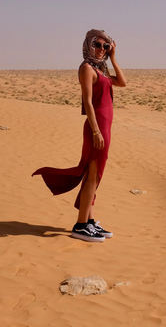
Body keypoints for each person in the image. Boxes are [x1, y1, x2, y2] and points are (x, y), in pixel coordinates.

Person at [33, 29, 127, 242]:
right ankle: (81, 225)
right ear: (89, 45)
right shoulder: (86, 68)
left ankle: (90, 220)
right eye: (98, 45)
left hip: (105, 127)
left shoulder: (100, 70)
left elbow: (122, 82)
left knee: (95, 176)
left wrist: (113, 58)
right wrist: (95, 131)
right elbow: (87, 101)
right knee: (92, 175)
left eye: (106, 46)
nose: (101, 49)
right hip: (97, 128)